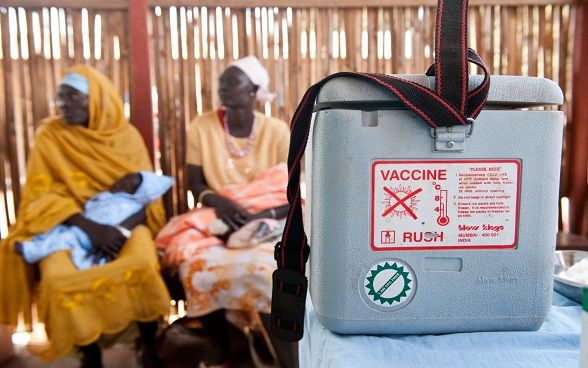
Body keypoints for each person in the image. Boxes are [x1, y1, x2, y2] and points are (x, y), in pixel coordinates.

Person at [0, 65, 171, 368]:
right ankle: (90, 355)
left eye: (72, 97)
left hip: (126, 225)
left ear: (97, 100)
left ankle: (149, 347)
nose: (63, 105)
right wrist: (91, 228)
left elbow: (145, 198)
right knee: (58, 278)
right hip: (67, 225)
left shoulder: (126, 137)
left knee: (142, 264)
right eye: (60, 98)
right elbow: (41, 197)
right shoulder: (50, 135)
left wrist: (119, 230)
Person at [155, 56, 297, 368]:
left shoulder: (275, 131)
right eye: (222, 81)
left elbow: (292, 190)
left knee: (265, 272)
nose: (223, 86)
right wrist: (220, 203)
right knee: (195, 268)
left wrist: (263, 216)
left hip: (268, 223)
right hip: (219, 220)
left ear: (253, 90)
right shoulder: (201, 127)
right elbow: (195, 183)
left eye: (233, 81)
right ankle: (221, 344)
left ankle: (283, 355)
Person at [16, 171, 173, 269]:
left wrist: (116, 232)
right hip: (76, 220)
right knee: (60, 238)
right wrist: (87, 225)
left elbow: (146, 211)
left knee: (66, 239)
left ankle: (31, 251)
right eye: (122, 179)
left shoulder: (128, 140)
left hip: (107, 233)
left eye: (128, 185)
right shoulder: (49, 137)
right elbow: (43, 195)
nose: (121, 183)